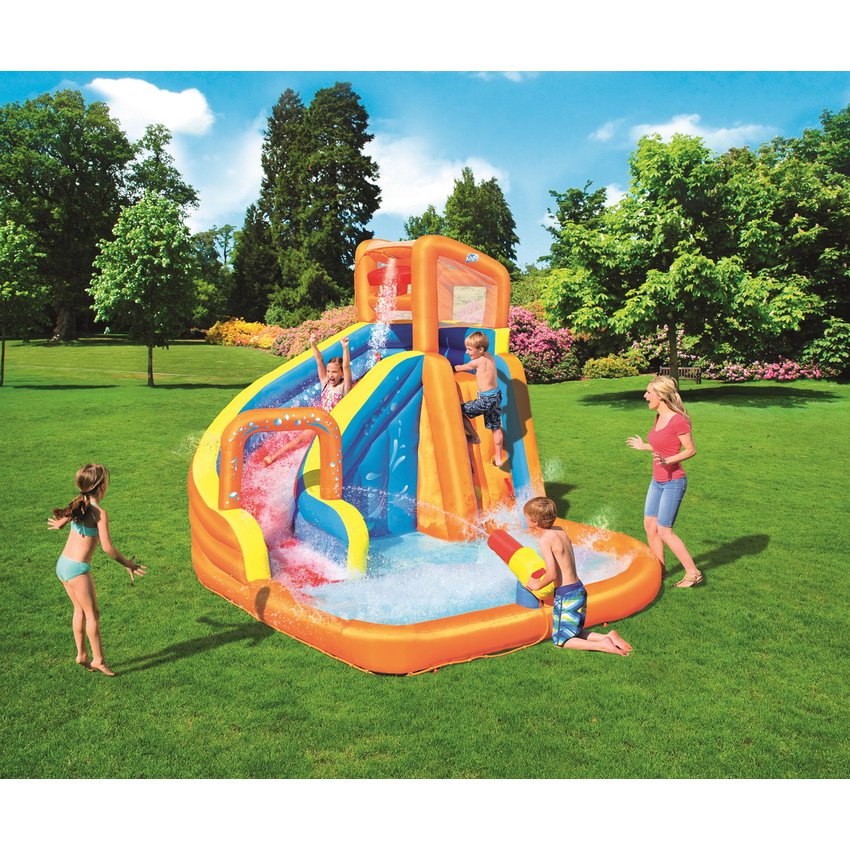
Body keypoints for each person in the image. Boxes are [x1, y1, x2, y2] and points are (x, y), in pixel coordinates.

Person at [48, 464, 147, 676]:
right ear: (101, 487)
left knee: (79, 610)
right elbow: (107, 548)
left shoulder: (79, 502)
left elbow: (66, 516)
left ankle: (82, 655)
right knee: (93, 615)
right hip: (77, 569)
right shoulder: (99, 513)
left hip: (63, 564)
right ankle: (99, 660)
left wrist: (60, 524)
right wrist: (128, 564)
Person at [523, 497, 632, 655]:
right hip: (578, 588)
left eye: (526, 517)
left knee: (561, 641)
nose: (525, 519)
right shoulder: (559, 530)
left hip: (566, 594)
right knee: (572, 632)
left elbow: (552, 574)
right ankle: (608, 637)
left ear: (535, 521)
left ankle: (603, 645)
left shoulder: (544, 539)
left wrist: (536, 585)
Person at [626, 375, 702, 587]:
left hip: (673, 482)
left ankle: (693, 573)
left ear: (660, 396)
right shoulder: (659, 417)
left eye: (649, 392)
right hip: (657, 481)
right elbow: (662, 445)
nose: (645, 396)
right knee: (649, 526)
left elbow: (690, 450)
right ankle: (659, 571)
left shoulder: (679, 420)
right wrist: (645, 446)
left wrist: (668, 460)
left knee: (664, 531)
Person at [265, 334, 353, 466]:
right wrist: (313, 344)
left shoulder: (344, 387)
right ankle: (273, 458)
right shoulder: (325, 382)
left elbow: (346, 367)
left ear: (341, 374)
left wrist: (345, 348)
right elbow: (319, 361)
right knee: (300, 440)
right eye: (329, 371)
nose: (330, 375)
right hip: (320, 422)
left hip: (335, 426)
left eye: (334, 372)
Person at [454, 331, 507, 468]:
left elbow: (460, 368)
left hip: (486, 400)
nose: (467, 352)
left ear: (481, 349)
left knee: (457, 409)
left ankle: (474, 437)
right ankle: (498, 458)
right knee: (496, 428)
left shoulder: (476, 362)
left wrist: (449, 366)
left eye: (469, 349)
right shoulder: (489, 356)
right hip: (496, 397)